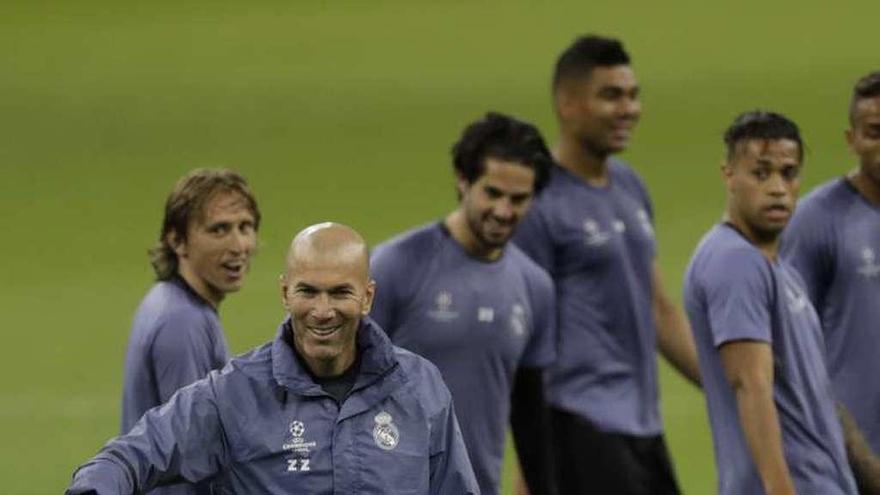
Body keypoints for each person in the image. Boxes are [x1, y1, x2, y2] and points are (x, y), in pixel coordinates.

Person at [67, 223, 480, 495]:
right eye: (307, 292)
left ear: (367, 297)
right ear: (285, 294)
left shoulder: (420, 388)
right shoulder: (233, 394)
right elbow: (131, 455)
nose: (322, 311)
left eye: (339, 292)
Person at [512, 35, 699, 494]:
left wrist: (731, 386)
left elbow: (659, 309)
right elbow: (523, 339)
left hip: (642, 428)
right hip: (579, 422)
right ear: (567, 105)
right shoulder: (537, 202)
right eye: (611, 96)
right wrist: (532, 466)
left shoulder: (630, 187)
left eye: (633, 95)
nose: (629, 109)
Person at [370, 112, 556, 495]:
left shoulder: (535, 286)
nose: (504, 211)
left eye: (519, 199)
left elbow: (529, 417)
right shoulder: (396, 266)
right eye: (493, 193)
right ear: (463, 180)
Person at [682, 110, 865, 494]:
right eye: (761, 173)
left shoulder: (779, 269)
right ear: (728, 175)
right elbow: (751, 385)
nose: (778, 188)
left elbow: (813, 393)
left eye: (789, 173)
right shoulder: (734, 262)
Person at [120, 168, 259, 494]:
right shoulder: (182, 322)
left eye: (245, 227)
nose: (238, 245)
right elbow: (191, 452)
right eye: (219, 230)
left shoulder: (172, 303)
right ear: (177, 240)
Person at [781, 71, 880, 460]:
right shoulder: (815, 222)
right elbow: (786, 347)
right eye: (875, 132)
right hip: (846, 457)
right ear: (851, 139)